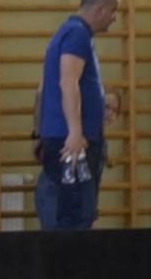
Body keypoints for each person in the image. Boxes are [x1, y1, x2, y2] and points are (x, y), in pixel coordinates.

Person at [37, 0, 119, 231]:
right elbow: (68, 81)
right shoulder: (77, 34)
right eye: (114, 11)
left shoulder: (70, 32)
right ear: (101, 10)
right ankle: (71, 270)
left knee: (76, 214)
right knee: (77, 217)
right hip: (71, 143)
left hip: (67, 138)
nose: (115, 18)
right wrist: (75, 132)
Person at [34, 87, 120, 230]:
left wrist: (92, 215)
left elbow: (92, 182)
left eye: (115, 110)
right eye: (106, 107)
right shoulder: (76, 131)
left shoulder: (100, 143)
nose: (110, 113)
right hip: (54, 194)